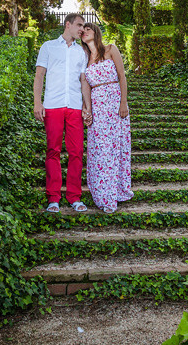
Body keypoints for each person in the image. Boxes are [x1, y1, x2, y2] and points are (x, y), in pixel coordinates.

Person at [34, 14, 89, 213]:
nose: (82, 29)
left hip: (74, 106)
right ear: (68, 25)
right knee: (53, 151)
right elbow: (39, 75)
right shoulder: (48, 46)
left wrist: (86, 106)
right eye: (79, 25)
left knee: (76, 153)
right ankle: (53, 198)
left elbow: (83, 81)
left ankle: (74, 197)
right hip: (53, 105)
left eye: (83, 26)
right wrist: (37, 103)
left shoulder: (82, 52)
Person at [79, 24, 133, 213]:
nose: (84, 32)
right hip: (98, 109)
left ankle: (117, 192)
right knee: (101, 151)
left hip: (115, 105)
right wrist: (88, 109)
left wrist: (123, 102)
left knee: (115, 149)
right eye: (82, 30)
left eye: (88, 29)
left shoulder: (111, 49)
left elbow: (122, 76)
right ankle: (103, 194)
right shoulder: (85, 59)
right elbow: (85, 86)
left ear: (95, 32)